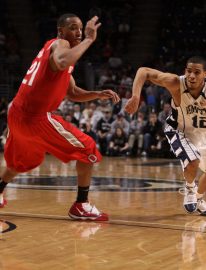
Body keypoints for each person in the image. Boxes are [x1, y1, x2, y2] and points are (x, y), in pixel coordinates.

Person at [0, 14, 120, 221]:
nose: (78, 32)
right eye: (73, 27)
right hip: (34, 117)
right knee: (87, 148)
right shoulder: (60, 45)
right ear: (60, 31)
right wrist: (89, 40)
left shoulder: (57, 55)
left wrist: (96, 94)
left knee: (23, 161)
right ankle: (81, 205)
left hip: (17, 114)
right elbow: (63, 60)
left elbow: (72, 92)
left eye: (81, 28)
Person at [125, 56, 206, 216]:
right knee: (192, 161)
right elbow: (143, 71)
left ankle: (199, 198)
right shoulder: (175, 83)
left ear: (205, 74)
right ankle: (189, 188)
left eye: (197, 72)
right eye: (189, 71)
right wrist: (135, 96)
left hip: (204, 134)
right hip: (179, 129)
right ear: (185, 72)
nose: (192, 76)